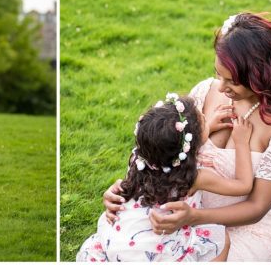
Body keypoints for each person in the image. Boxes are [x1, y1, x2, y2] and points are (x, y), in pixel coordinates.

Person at [103, 13, 271, 261]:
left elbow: (256, 208)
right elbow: (165, 154)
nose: (221, 87)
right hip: (183, 211)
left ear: (261, 75)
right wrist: (125, 190)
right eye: (219, 74)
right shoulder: (207, 92)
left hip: (241, 230)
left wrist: (195, 218)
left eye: (232, 81)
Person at [78, 92, 252, 261]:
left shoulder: (139, 160)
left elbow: (180, 148)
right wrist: (241, 142)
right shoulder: (196, 177)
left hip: (117, 243)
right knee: (221, 240)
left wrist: (203, 130)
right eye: (204, 121)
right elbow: (244, 186)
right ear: (193, 143)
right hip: (154, 253)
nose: (207, 119)